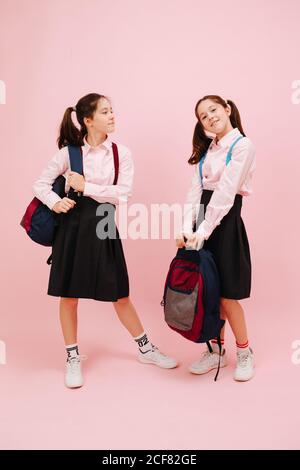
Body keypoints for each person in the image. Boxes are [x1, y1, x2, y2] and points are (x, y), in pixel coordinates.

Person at [33, 93, 178, 388]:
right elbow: (40, 184)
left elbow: (122, 195)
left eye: (113, 111)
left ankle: (145, 349)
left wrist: (86, 186)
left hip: (103, 224)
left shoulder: (119, 153)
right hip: (72, 229)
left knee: (119, 293)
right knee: (69, 295)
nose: (112, 116)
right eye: (105, 112)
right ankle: (73, 357)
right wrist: (54, 202)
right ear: (88, 120)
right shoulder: (69, 153)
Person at [177, 95, 256, 381]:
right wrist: (188, 228)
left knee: (227, 297)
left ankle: (245, 352)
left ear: (227, 108)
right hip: (202, 224)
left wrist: (203, 231)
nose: (209, 116)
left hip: (224, 224)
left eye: (213, 109)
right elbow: (194, 192)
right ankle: (216, 351)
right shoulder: (208, 150)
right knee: (208, 292)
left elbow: (225, 192)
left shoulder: (242, 145)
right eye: (202, 115)